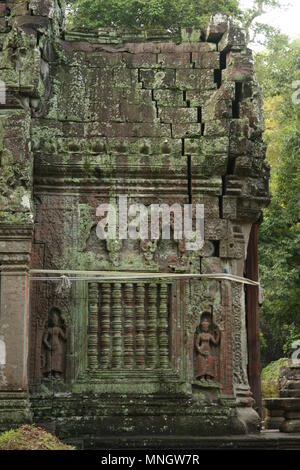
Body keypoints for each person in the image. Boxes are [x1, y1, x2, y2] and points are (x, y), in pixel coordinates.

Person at [195, 316, 220, 383]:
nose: (205, 328)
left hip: (208, 351)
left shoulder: (209, 335)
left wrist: (218, 334)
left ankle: (208, 377)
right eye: (204, 327)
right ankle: (202, 377)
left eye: (206, 327)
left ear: (208, 327)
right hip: (202, 351)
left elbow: (215, 342)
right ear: (202, 327)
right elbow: (197, 344)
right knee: (201, 361)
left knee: (210, 361)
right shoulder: (200, 335)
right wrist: (200, 351)